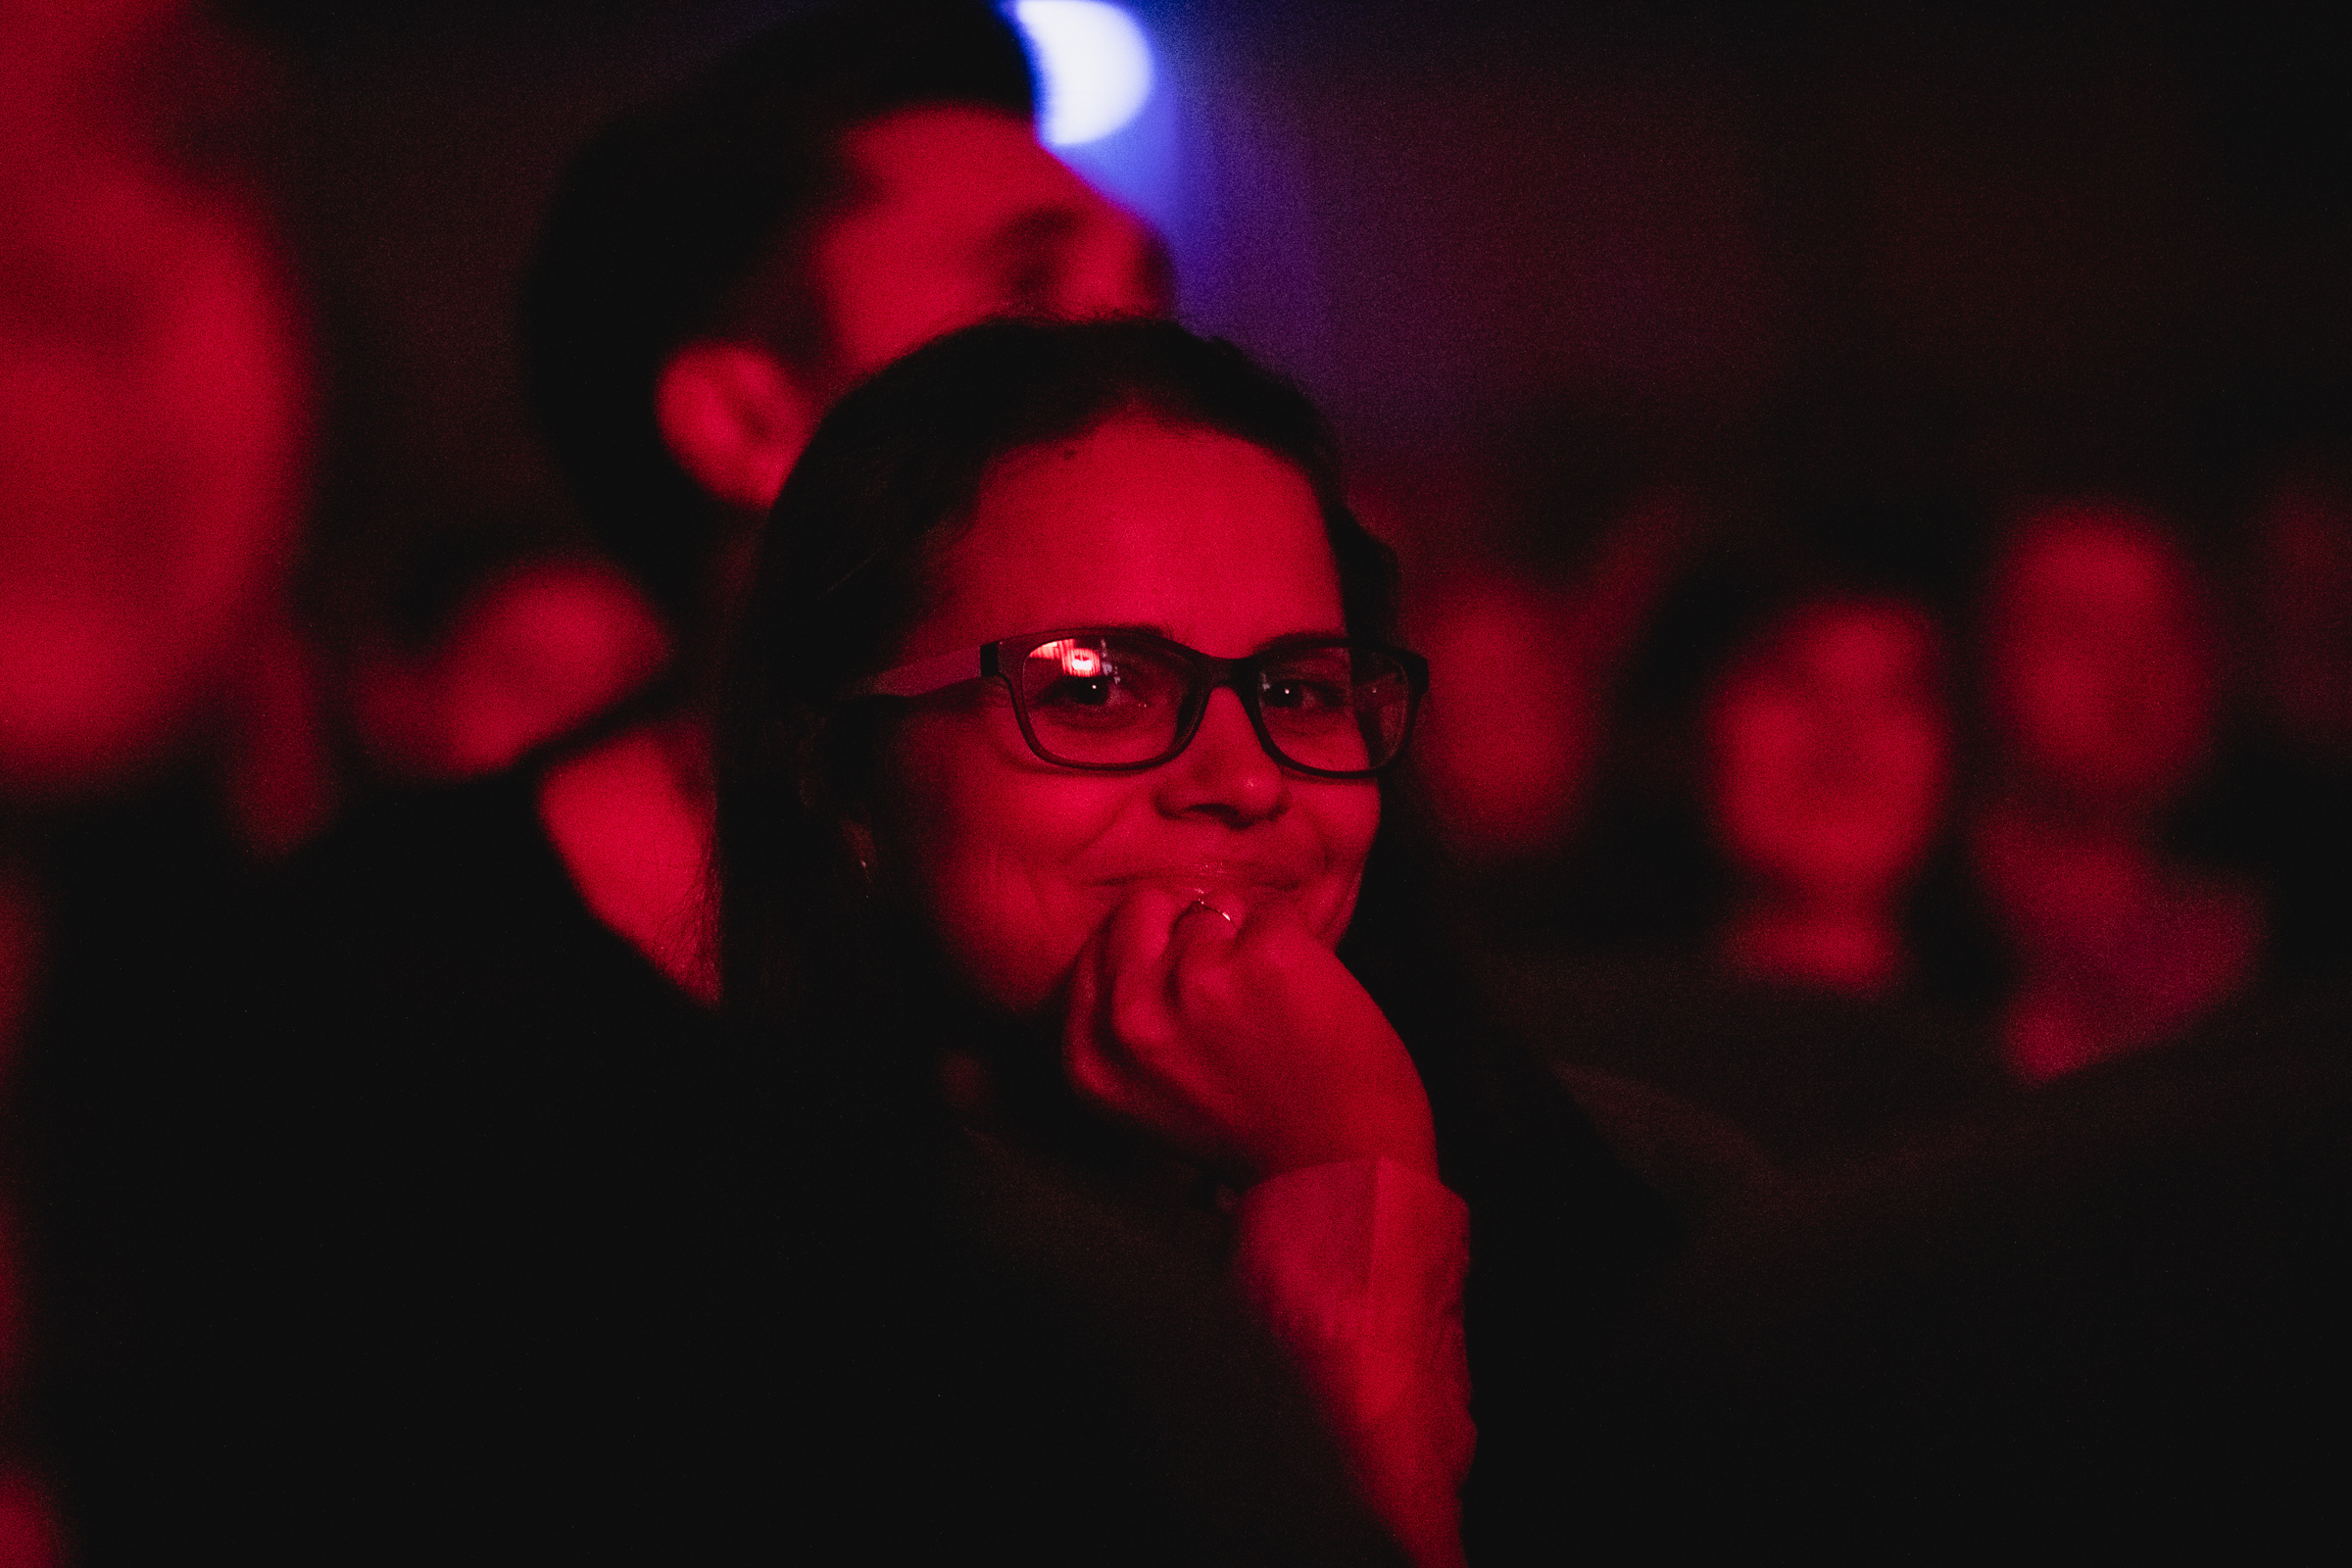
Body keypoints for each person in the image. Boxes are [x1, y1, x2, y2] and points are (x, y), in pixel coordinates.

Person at [26, 4, 1163, 1558]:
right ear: (747, 418)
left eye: (180, 144)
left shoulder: (1294, 936)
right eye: (1031, 292)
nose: (1158, 362)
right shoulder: (375, 1038)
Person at [716, 318, 1669, 1563]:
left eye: (1300, 689)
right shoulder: (689, 1303)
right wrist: (1344, 1192)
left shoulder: (1632, 1190)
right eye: (1095, 684)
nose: (1242, 778)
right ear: (848, 779)